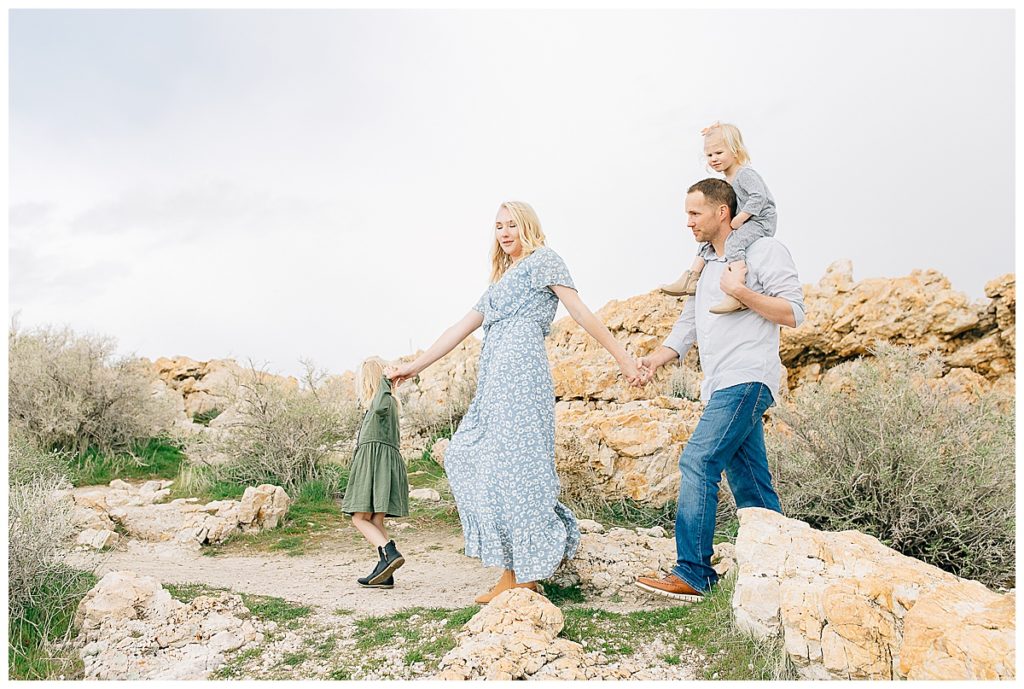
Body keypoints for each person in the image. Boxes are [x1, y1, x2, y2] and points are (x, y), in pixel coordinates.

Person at [387, 201, 642, 604]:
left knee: (519, 471)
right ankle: (513, 567)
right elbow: (459, 328)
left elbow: (579, 312)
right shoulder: (501, 282)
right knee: (469, 458)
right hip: (494, 381)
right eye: (499, 227)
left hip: (523, 378)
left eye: (512, 225)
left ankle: (524, 573)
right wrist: (415, 366)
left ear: (528, 226)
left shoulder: (544, 261)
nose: (505, 233)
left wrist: (624, 358)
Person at [636, 178, 804, 601]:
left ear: (722, 212)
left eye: (695, 213)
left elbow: (793, 312)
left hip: (748, 377)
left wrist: (740, 292)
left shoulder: (765, 250)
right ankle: (781, 569)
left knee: (698, 460)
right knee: (750, 482)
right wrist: (657, 359)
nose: (687, 222)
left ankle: (694, 572)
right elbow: (689, 323)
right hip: (719, 385)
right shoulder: (707, 263)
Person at [660, 122, 778, 314]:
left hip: (760, 221)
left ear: (735, 150)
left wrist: (741, 218)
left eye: (719, 153)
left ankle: (736, 292)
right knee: (709, 236)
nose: (713, 159)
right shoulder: (727, 180)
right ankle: (692, 277)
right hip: (745, 219)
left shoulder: (744, 174)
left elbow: (759, 197)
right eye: (709, 155)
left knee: (734, 243)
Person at [341, 356, 408, 589]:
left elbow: (379, 405)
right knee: (375, 519)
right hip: (384, 463)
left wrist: (385, 381)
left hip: (374, 462)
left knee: (359, 518)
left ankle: (389, 553)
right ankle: (385, 572)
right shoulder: (388, 401)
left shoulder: (383, 400)